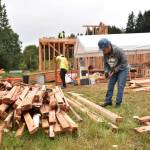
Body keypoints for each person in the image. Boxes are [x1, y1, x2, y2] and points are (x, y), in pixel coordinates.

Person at [98, 38, 129, 108]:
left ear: (108, 46)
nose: (103, 51)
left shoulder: (118, 50)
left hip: (123, 69)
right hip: (114, 69)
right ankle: (108, 101)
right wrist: (106, 71)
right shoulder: (105, 52)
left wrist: (116, 69)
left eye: (103, 50)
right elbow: (106, 63)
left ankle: (118, 103)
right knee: (110, 85)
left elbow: (125, 62)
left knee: (120, 86)